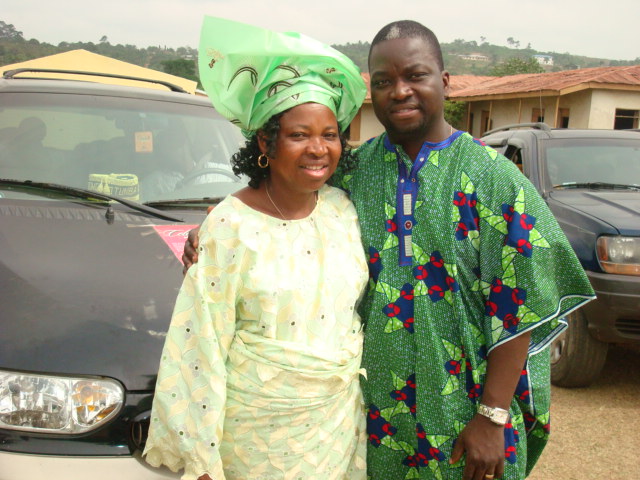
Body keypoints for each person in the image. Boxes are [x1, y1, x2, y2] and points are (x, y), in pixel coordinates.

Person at [183, 20, 595, 480]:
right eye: (382, 82)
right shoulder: (353, 171)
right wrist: (217, 224)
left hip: (466, 415)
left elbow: (521, 302)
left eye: (414, 76)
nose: (399, 91)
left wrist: (492, 415)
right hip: (373, 417)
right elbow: (287, 195)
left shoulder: (493, 177)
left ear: (445, 82)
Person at [143, 16, 368, 480]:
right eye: (299, 134)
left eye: (329, 135)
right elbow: (198, 342)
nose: (318, 148)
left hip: (335, 427)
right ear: (266, 140)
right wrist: (202, 460)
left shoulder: (342, 210)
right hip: (254, 440)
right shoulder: (230, 226)